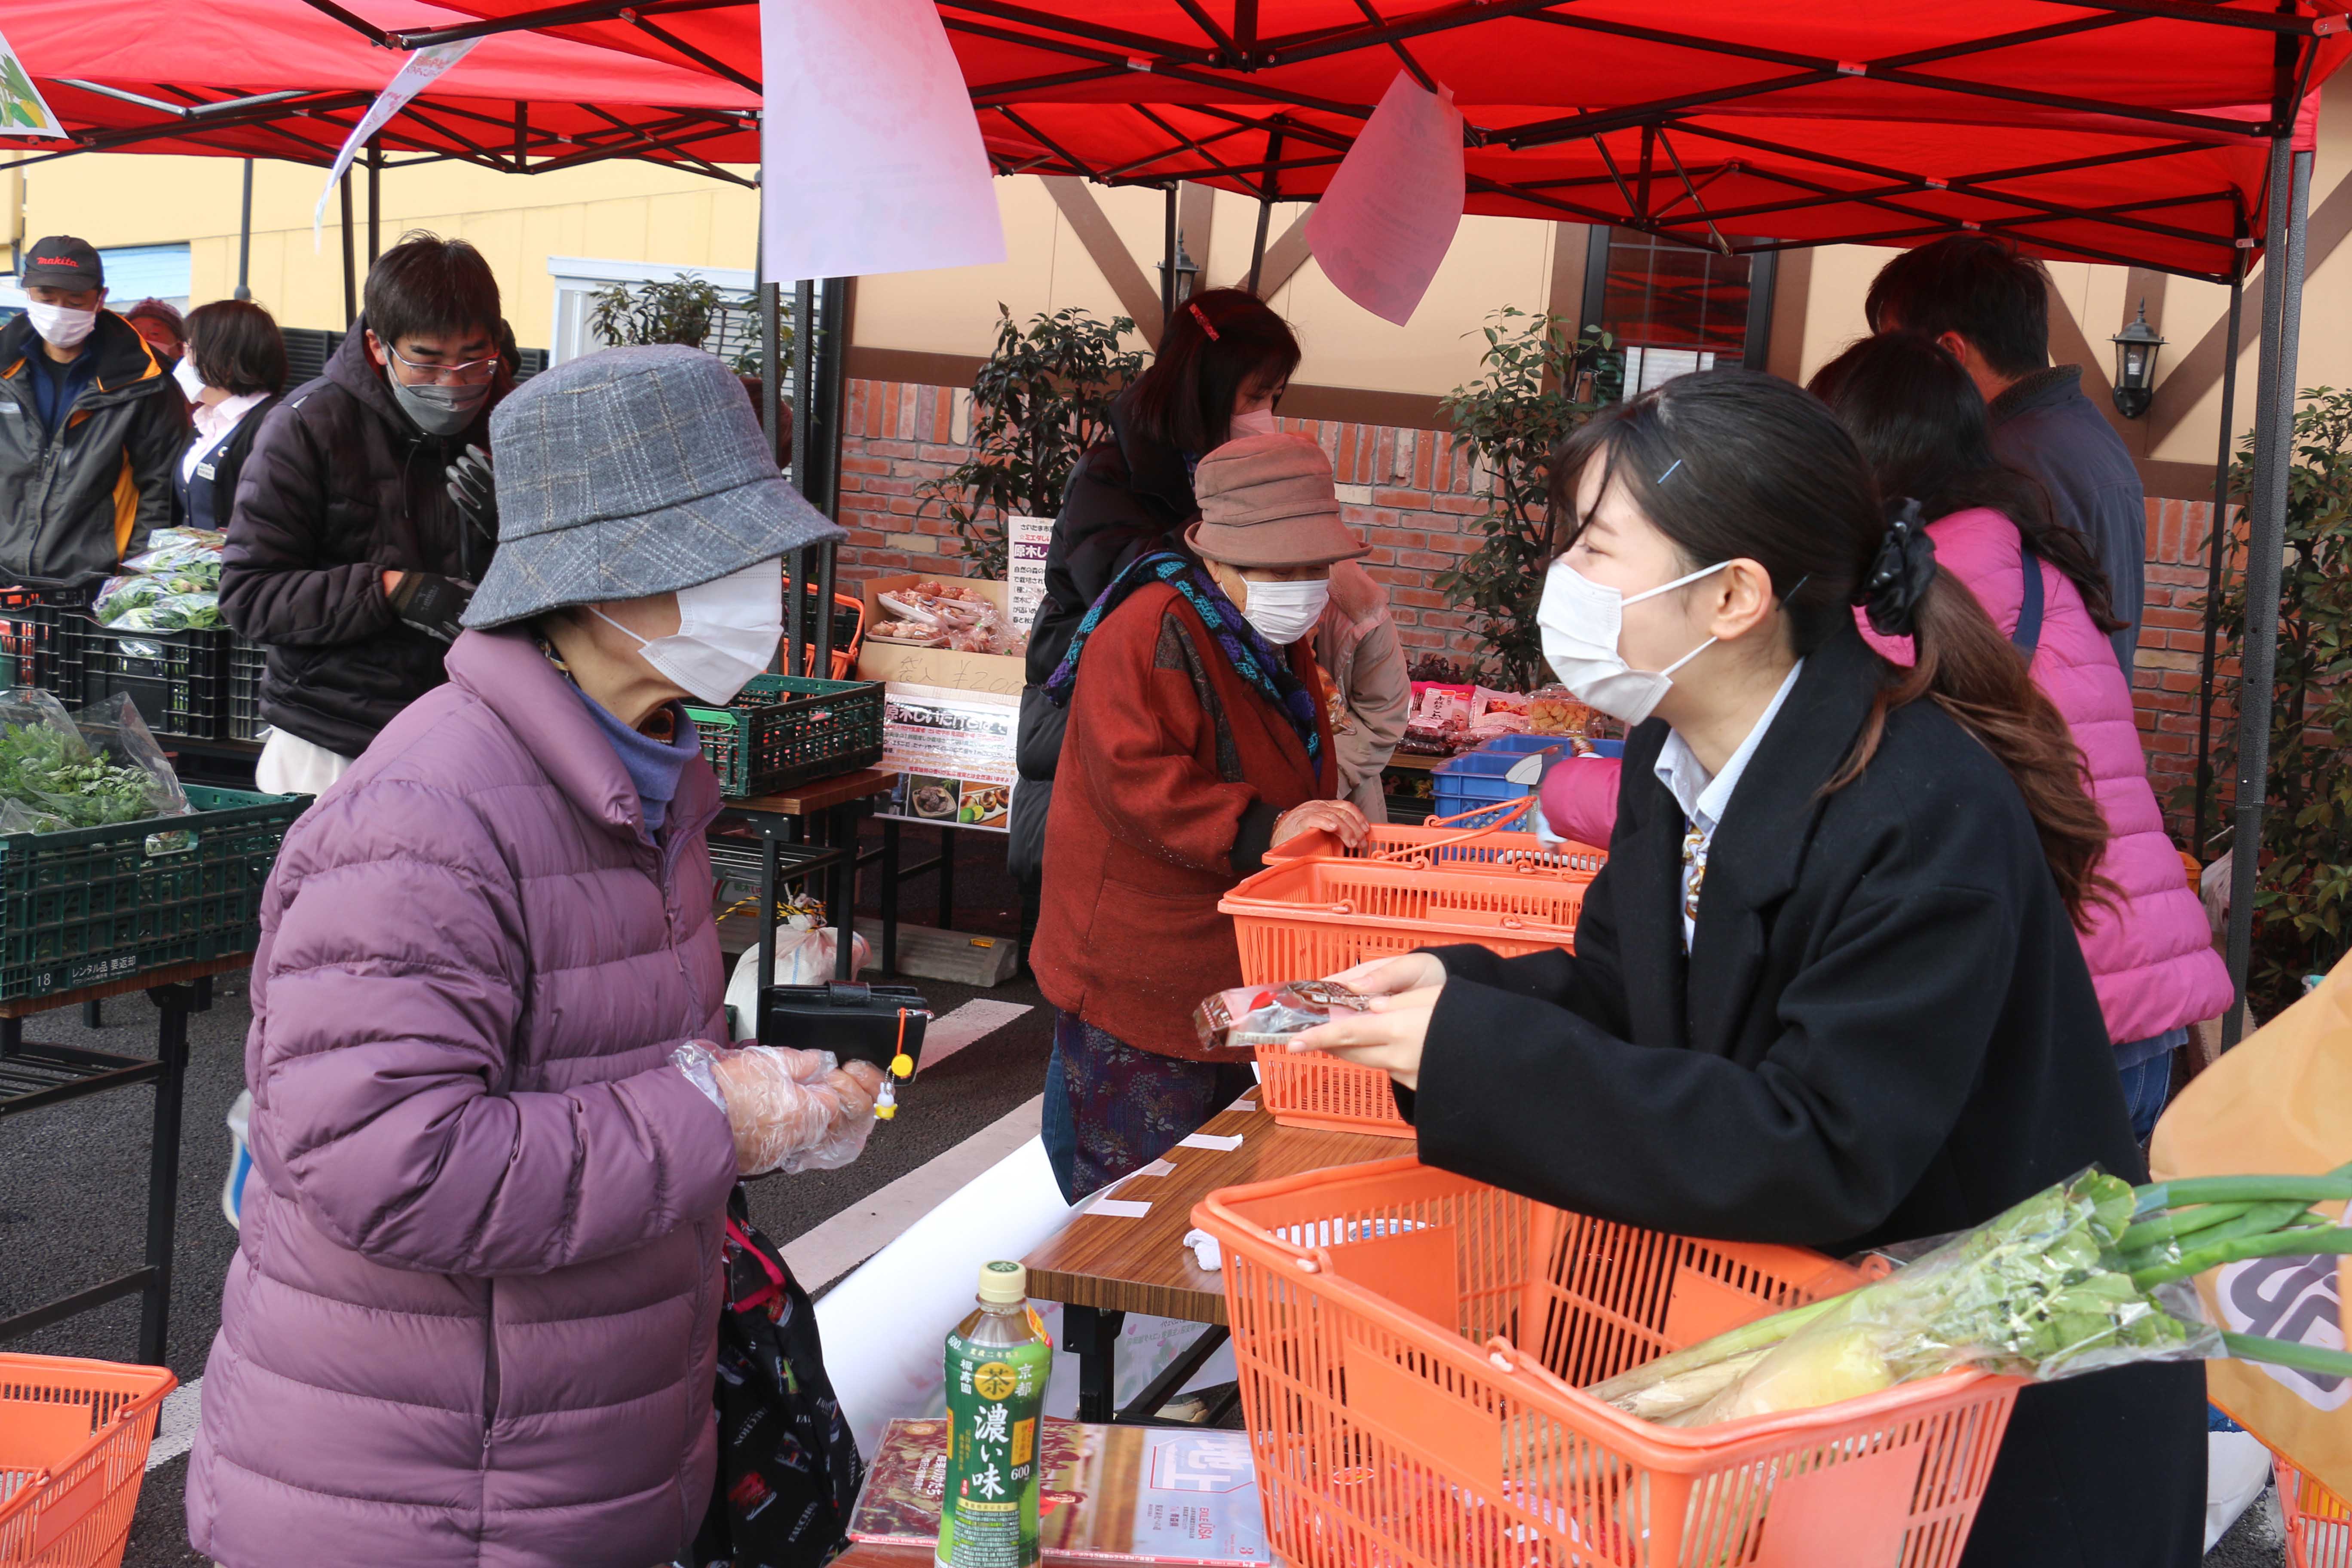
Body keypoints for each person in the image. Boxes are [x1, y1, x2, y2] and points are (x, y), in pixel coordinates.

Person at [1295, 371, 2205, 1568]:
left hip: (1996, 1423)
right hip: (1841, 1374)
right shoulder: (1682, 757)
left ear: (1732, 596)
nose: (1563, 577)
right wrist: (1458, 997)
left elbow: (1821, 1145)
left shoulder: (1920, 812)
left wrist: (1470, 1052)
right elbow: (1636, 1008)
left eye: (1597, 546)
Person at [186, 345, 874, 1568]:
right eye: (734, 562)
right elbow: (386, 1162)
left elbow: (604, 1063)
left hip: (566, 1457)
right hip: (424, 1496)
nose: (765, 593)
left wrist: (768, 1095)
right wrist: (712, 1118)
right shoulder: (431, 815)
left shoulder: (643, 768)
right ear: (605, 580)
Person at [1810, 333, 2231, 1135]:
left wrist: (1560, 787)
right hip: (2126, 993)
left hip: (2064, 1006)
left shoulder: (1933, 580)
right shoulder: (2010, 547)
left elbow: (1794, 753)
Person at [1031, 432, 1369, 1199]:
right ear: (1217, 557)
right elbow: (1134, 776)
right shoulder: (1151, 626)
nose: (1307, 586)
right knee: (1127, 1201)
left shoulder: (1258, 626)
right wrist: (1266, 829)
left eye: (1316, 567)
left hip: (1244, 944)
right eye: (1284, 569)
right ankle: (1107, 1318)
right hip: (1142, 958)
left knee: (1230, 1170)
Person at [1009, 288, 1303, 892]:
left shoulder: (1221, 468)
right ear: (1208, 389)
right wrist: (1237, 534)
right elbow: (1134, 592)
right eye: (1255, 396)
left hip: (1192, 720)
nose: (1266, 413)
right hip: (1095, 720)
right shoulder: (1110, 476)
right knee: (1115, 889)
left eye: (1274, 397)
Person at [221, 230, 511, 797]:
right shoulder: (308, 427)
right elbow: (249, 596)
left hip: (479, 732)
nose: (453, 383)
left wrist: (518, 529)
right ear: (379, 346)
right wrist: (392, 590)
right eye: (426, 361)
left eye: (474, 359)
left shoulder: (514, 418)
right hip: (332, 739)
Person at [1865, 234, 2146, 673]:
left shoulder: (2001, 461)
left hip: (2032, 727)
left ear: (1949, 352)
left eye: (1894, 354)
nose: (1887, 378)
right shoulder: (2083, 428)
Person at [0, 236, 184, 587]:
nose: (59, 310)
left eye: (75, 300)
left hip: (91, 587)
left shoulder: (145, 382)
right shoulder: (4, 367)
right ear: (28, 294)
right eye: (47, 298)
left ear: (101, 299)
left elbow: (158, 493)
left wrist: (133, 580)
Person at [172, 300, 286, 533]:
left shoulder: (273, 426)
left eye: (191, 350)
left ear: (228, 360)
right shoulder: (207, 420)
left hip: (241, 567)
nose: (184, 361)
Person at [1314, 557, 1410, 821]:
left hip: (1339, 787)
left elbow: (1381, 718)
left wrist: (1317, 784)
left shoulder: (1362, 613)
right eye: (1281, 574)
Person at [122, 297, 186, 367]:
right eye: (135, 334)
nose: (143, 339)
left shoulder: (186, 377)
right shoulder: (116, 375)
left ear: (180, 348)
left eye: (154, 333)